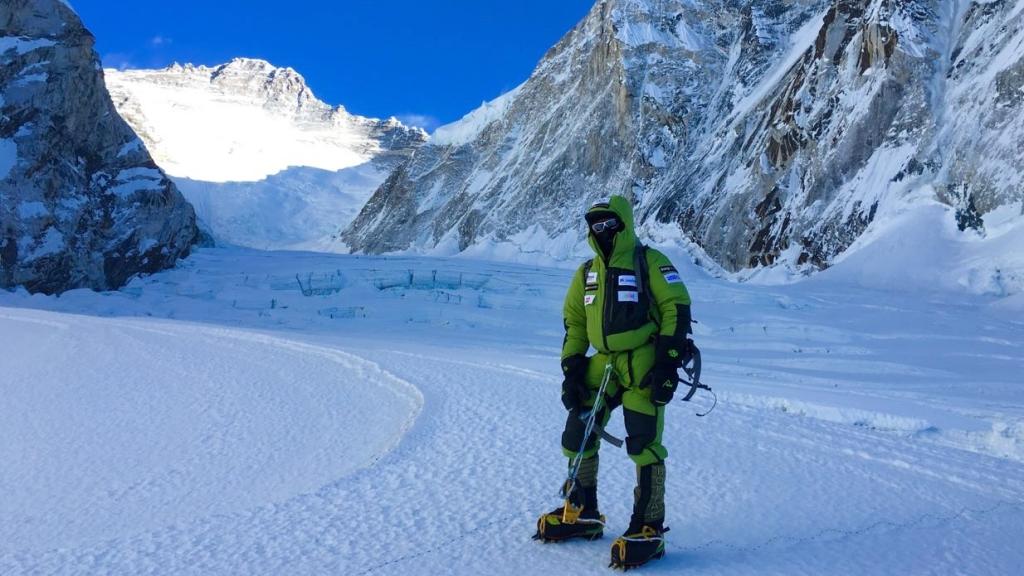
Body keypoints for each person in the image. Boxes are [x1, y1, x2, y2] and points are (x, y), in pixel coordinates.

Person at [534, 195, 694, 569]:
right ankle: (582, 510)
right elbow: (575, 322)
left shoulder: (650, 261)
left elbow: (676, 306)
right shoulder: (587, 273)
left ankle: (648, 526)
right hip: (602, 363)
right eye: (595, 225)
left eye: (610, 224)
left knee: (643, 441)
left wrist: (667, 364)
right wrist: (572, 369)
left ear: (624, 224)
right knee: (578, 430)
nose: (603, 232)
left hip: (642, 360)